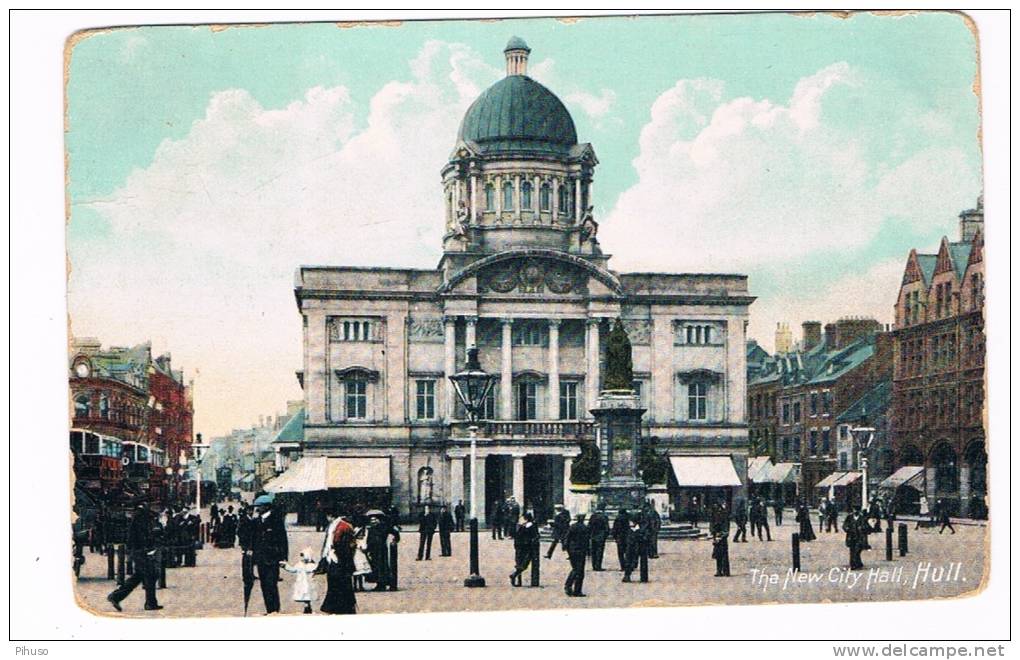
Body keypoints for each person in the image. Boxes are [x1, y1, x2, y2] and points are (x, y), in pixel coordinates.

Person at [107, 503, 162, 612]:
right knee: (150, 574)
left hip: (140, 551)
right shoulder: (140, 518)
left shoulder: (142, 517)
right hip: (141, 551)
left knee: (138, 577)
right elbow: (141, 537)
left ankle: (116, 596)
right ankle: (150, 603)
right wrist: (147, 548)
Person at [250, 494, 289, 615]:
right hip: (261, 559)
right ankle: (269, 609)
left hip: (273, 559)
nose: (257, 509)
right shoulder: (257, 521)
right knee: (264, 586)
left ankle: (275, 610)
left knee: (271, 584)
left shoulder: (276, 520)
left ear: (267, 507)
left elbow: (283, 540)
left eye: (259, 507)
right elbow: (254, 540)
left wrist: (283, 558)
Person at [320, 509, 357, 614]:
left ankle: (344, 607)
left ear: (330, 516)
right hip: (332, 557)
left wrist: (336, 550)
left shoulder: (344, 526)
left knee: (341, 582)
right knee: (333, 582)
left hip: (341, 559)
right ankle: (334, 606)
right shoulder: (333, 526)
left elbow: (348, 545)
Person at [281, 548, 318, 614]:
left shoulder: (312, 566)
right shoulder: (299, 564)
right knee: (303, 595)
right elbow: (293, 569)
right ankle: (306, 606)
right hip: (301, 583)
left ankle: (307, 607)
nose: (303, 559)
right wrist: (285, 566)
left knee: (308, 595)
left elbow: (315, 570)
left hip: (308, 583)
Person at [564, 514, 590, 597]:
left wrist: (567, 549)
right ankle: (576, 590)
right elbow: (586, 541)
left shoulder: (572, 527)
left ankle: (569, 585)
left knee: (575, 568)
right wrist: (588, 552)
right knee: (580, 571)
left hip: (572, 550)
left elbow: (567, 538)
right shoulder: (585, 528)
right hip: (581, 551)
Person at [622, 516, 646, 583]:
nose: (630, 523)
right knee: (628, 562)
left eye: (631, 522)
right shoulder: (629, 529)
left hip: (640, 547)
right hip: (631, 548)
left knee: (643, 562)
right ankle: (627, 576)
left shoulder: (641, 529)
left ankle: (644, 577)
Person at [710, 503, 731, 577]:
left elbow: (726, 526)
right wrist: (713, 534)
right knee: (718, 554)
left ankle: (726, 571)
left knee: (724, 554)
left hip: (722, 537)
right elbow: (712, 524)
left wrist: (722, 534)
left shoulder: (724, 514)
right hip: (716, 535)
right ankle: (719, 571)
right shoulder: (714, 514)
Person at [588, 504, 610, 570]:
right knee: (599, 552)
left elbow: (589, 526)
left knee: (593, 551)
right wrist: (606, 535)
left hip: (593, 535)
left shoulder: (593, 516)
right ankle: (598, 566)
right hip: (601, 536)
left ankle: (594, 565)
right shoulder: (604, 517)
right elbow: (607, 528)